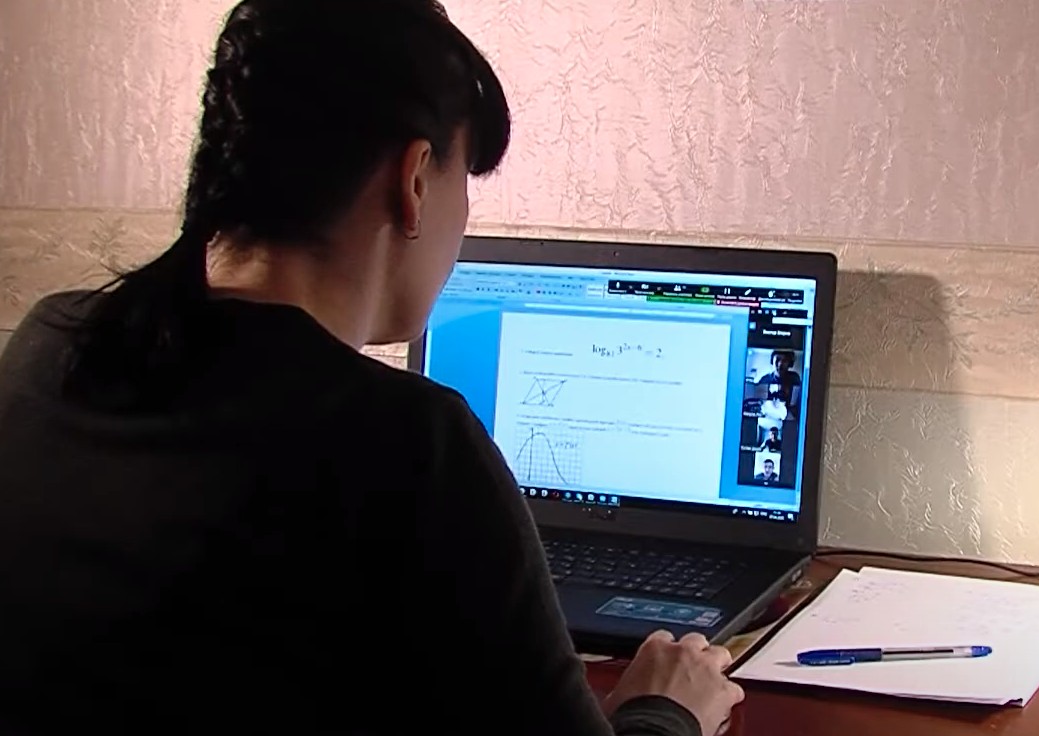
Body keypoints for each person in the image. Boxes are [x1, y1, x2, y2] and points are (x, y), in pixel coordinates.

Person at [0, 2, 743, 734]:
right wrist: (663, 709)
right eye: (464, 180)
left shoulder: (52, 341)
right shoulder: (406, 442)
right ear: (414, 180)